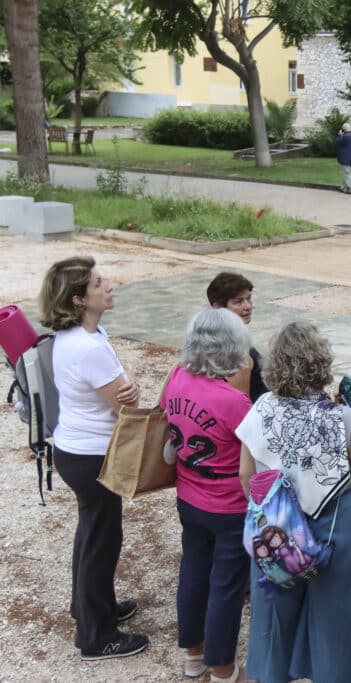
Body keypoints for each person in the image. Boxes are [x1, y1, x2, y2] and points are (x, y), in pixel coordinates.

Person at [236, 322, 351, 683]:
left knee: (277, 617)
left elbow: (246, 474)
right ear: (321, 363)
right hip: (340, 523)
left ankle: (276, 674)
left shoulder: (260, 409)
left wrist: (271, 515)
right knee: (344, 617)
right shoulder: (343, 416)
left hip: (277, 529)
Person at [39, 256, 149, 661]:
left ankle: (91, 607)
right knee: (102, 543)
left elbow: (117, 395)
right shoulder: (88, 347)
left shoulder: (77, 337)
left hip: (75, 450)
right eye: (99, 283)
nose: (110, 286)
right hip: (93, 457)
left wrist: (126, 391)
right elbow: (124, 407)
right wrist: (131, 394)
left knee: (90, 535)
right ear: (79, 299)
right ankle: (97, 637)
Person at [162, 309, 253, 682]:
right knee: (226, 587)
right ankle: (223, 669)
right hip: (229, 506)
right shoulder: (233, 401)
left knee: (194, 572)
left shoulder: (177, 379)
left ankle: (193, 656)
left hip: (189, 496)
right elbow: (254, 452)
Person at [206, 272, 268, 402]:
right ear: (218, 307)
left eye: (249, 299)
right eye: (238, 302)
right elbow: (240, 404)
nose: (248, 306)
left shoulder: (206, 337)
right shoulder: (234, 350)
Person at [335, 122, 351, 194]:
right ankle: (344, 188)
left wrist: (339, 135)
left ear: (344, 129)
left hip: (344, 158)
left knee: (347, 173)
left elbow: (337, 142)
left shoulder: (344, 137)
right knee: (345, 173)